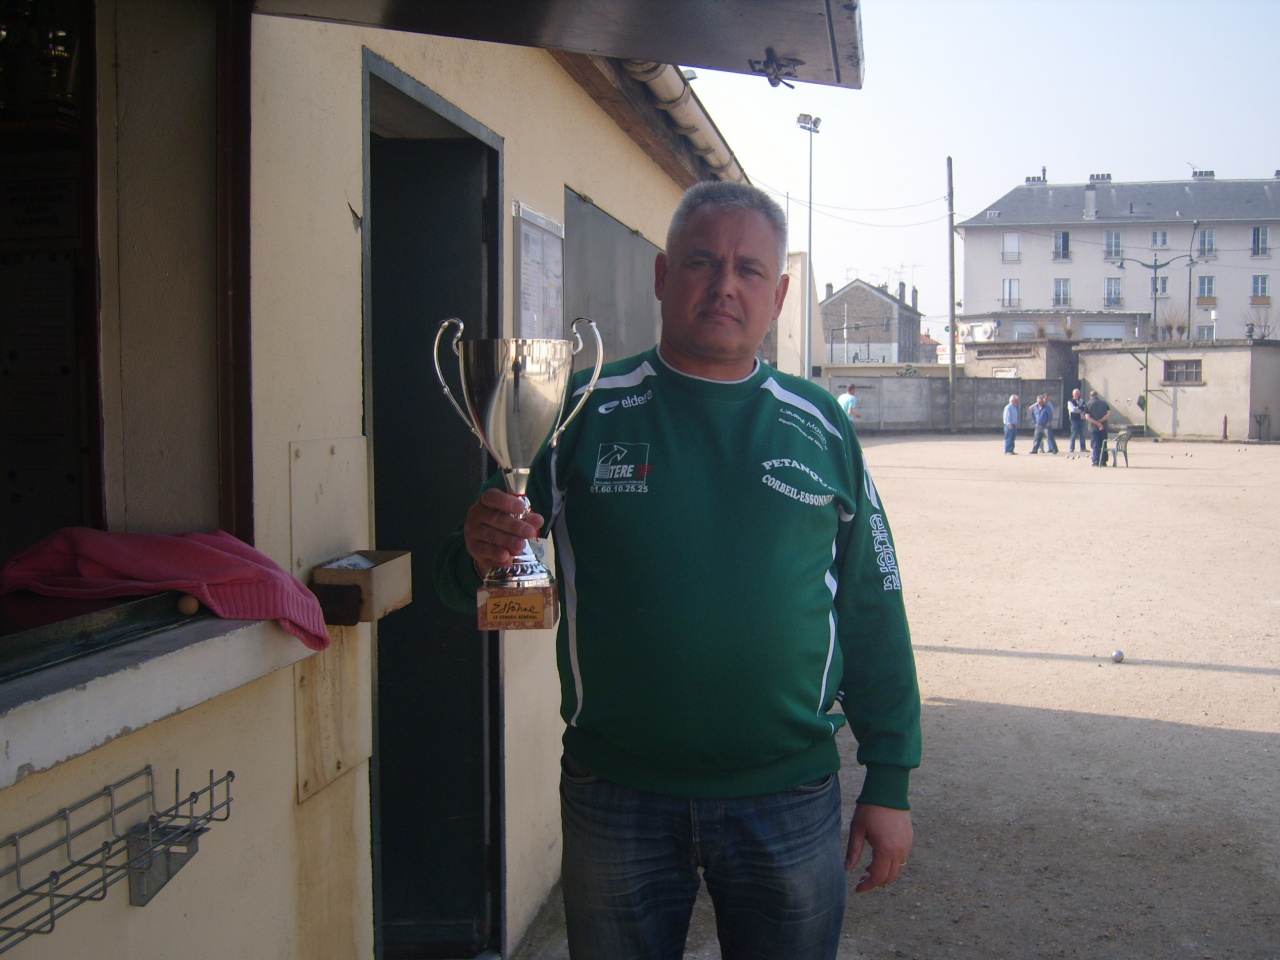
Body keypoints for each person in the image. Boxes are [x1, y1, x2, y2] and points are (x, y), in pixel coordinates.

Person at [435, 181, 921, 960]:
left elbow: (871, 605)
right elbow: (474, 585)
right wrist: (480, 545)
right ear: (663, 276)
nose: (724, 284)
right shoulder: (578, 411)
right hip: (617, 796)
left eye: (748, 268)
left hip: (788, 796)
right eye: (702, 261)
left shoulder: (823, 424)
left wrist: (890, 778)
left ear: (780, 293)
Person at [1083, 389, 1112, 466]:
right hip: (1104, 427)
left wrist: (1097, 423)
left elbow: (1087, 417)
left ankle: (1096, 461)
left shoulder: (1088, 404)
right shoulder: (1104, 403)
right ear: (1097, 395)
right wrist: (1101, 421)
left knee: (1095, 444)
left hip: (1094, 428)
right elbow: (1109, 413)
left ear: (1090, 396)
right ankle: (1103, 461)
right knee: (1103, 444)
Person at [1066, 388, 1087, 457]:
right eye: (1075, 394)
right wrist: (1080, 408)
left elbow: (1085, 409)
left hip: (1082, 419)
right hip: (1074, 420)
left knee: (1082, 434)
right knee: (1073, 434)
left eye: (1077, 394)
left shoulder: (1082, 401)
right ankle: (1072, 448)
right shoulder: (1070, 402)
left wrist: (1078, 408)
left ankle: (1083, 448)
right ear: (1073, 394)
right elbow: (1073, 410)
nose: (1076, 395)